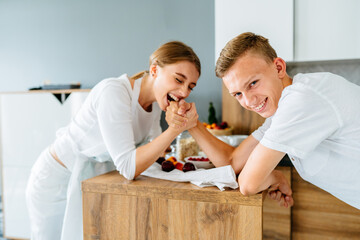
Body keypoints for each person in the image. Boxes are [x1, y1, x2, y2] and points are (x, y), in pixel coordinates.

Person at [26, 41, 200, 240]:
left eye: (190, 87)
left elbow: (155, 153)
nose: (185, 92)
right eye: (179, 80)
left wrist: (175, 125)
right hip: (56, 181)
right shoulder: (114, 92)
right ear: (154, 70)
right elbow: (128, 165)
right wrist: (174, 129)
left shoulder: (154, 106)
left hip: (93, 180)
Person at [167, 32, 360, 210]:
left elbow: (248, 184)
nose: (249, 101)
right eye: (238, 94)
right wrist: (192, 124)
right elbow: (232, 162)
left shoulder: (301, 100)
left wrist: (273, 176)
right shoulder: (282, 108)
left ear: (278, 68)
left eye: (253, 83)